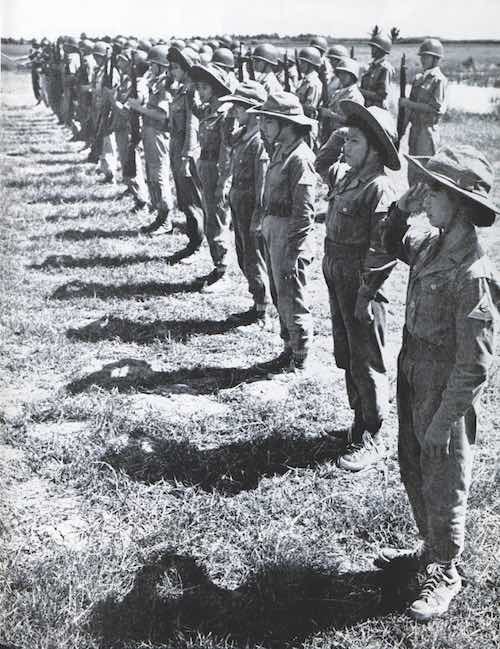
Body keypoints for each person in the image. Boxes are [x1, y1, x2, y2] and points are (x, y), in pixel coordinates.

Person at [376, 145, 499, 621]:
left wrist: (445, 422)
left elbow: (475, 364)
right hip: (414, 373)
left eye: (435, 191)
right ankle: (429, 548)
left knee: (444, 476)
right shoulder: (433, 245)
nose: (424, 196)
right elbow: (392, 245)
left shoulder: (472, 274)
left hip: (444, 387)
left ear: (460, 204)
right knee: (413, 462)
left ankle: (446, 571)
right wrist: (398, 211)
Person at [322, 100, 400, 471]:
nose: (344, 147)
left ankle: (374, 435)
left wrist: (366, 294)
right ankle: (358, 423)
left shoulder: (380, 188)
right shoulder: (346, 176)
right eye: (345, 140)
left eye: (353, 141)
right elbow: (321, 163)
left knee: (367, 358)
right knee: (347, 353)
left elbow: (383, 251)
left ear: (374, 149)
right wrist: (341, 132)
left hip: (361, 281)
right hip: (336, 271)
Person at [248, 92, 317, 372]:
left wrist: (293, 250)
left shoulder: (300, 158)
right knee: (279, 293)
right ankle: (287, 345)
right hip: (274, 228)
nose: (262, 125)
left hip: (289, 234)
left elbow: (304, 211)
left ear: (286, 125)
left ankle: (300, 353)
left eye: (268, 120)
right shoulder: (280, 149)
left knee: (292, 295)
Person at [219, 81, 271, 323]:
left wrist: (259, 216)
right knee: (244, 256)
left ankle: (262, 311)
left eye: (238, 108)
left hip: (251, 206)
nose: (234, 111)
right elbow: (227, 140)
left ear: (251, 111)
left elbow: (261, 184)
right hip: (240, 203)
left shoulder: (259, 141)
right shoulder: (244, 135)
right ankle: (256, 303)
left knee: (254, 258)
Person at [190, 63, 233, 283]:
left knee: (218, 219)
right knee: (210, 218)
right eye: (198, 88)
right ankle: (216, 266)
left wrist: (223, 182)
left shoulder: (224, 114)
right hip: (206, 166)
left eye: (203, 88)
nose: (200, 93)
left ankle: (222, 269)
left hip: (217, 170)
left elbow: (226, 151)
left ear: (215, 89)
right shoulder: (209, 109)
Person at [128, 44, 173, 232]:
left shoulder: (164, 84)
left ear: (161, 65)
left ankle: (166, 218)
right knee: (152, 174)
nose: (150, 67)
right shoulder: (155, 81)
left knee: (159, 174)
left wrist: (139, 108)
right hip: (149, 131)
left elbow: (163, 114)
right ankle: (159, 214)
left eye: (153, 64)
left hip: (158, 133)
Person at [167, 45, 205, 253]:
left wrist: (186, 156)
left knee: (192, 201)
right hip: (177, 148)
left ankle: (196, 245)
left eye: (175, 67)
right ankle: (193, 242)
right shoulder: (181, 90)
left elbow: (192, 125)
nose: (172, 71)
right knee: (185, 199)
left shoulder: (192, 92)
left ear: (187, 68)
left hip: (186, 151)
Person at [400, 39, 448, 185]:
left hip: (427, 131)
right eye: (422, 56)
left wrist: (410, 104)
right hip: (415, 129)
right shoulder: (419, 78)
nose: (422, 59)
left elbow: (437, 108)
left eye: (426, 56)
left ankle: (424, 204)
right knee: (412, 168)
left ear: (436, 58)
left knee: (425, 169)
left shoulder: (438, 80)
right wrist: (402, 130)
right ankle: (412, 203)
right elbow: (409, 108)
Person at [110, 48, 149, 210]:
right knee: (128, 162)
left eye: (124, 61)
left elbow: (127, 111)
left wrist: (112, 100)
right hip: (124, 127)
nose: (120, 64)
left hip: (131, 129)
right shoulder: (128, 81)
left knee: (134, 164)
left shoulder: (139, 85)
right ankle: (136, 194)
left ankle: (142, 200)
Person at [316, 57, 364, 165]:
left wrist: (331, 115)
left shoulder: (355, 96)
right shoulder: (338, 93)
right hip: (330, 135)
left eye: (345, 74)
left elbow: (356, 123)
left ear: (352, 76)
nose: (341, 77)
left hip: (344, 139)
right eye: (340, 74)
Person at [360, 29, 394, 110]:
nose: (372, 50)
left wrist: (360, 91)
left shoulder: (385, 68)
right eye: (372, 47)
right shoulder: (372, 66)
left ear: (382, 50)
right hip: (367, 107)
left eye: (375, 48)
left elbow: (381, 96)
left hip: (377, 110)